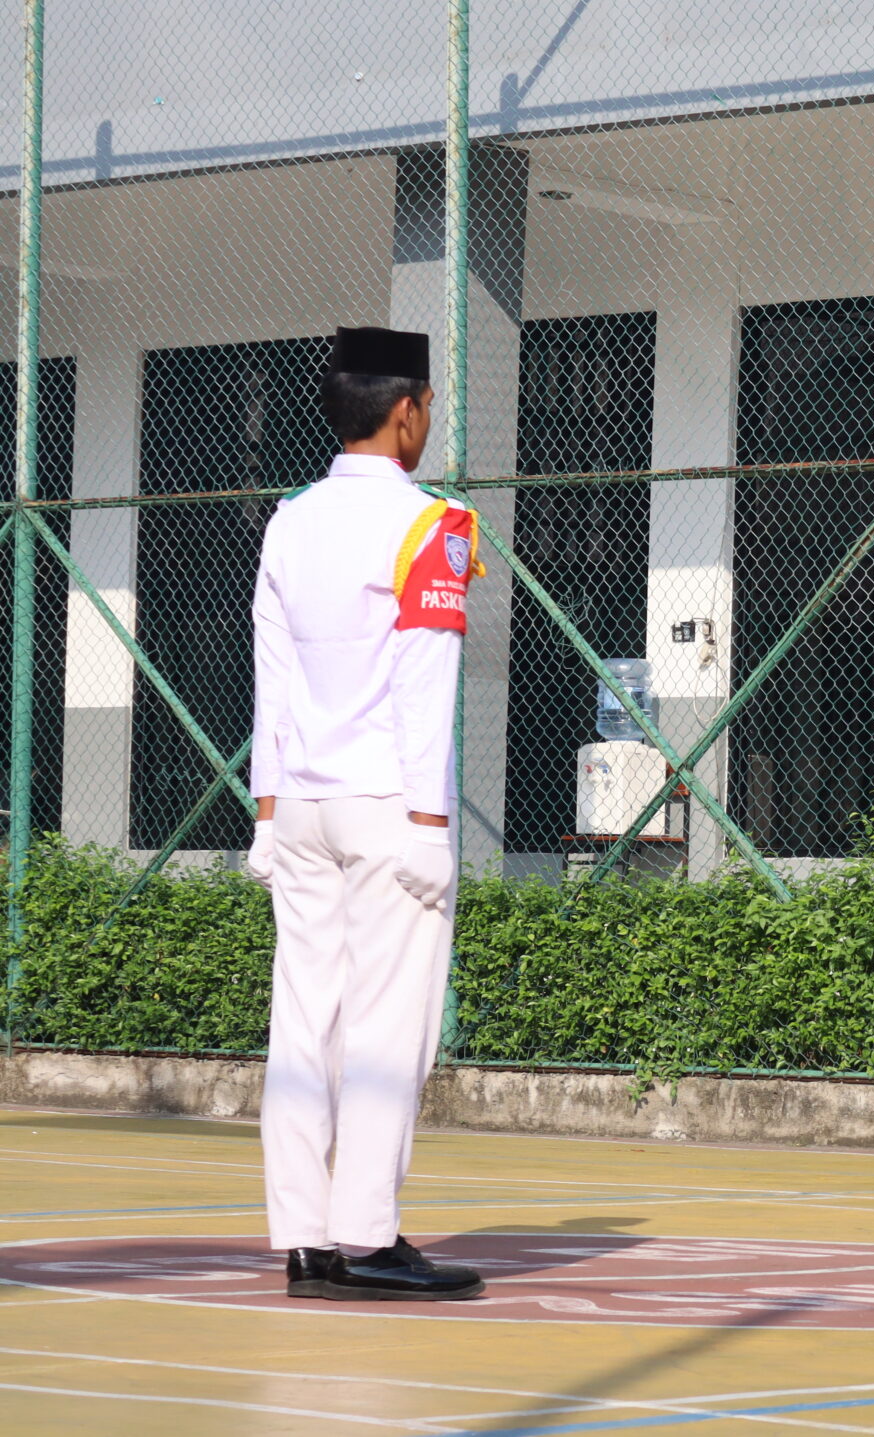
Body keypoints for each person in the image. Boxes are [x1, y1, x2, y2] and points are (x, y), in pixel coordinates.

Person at [243, 327, 487, 1301]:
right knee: (389, 1026)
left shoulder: (290, 519)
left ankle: (305, 1240)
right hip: (389, 805)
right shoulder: (435, 523)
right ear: (405, 410)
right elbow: (426, 684)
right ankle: (367, 1236)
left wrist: (266, 817)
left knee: (304, 1023)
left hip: (300, 802)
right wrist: (431, 826)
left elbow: (272, 678)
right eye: (426, 406)